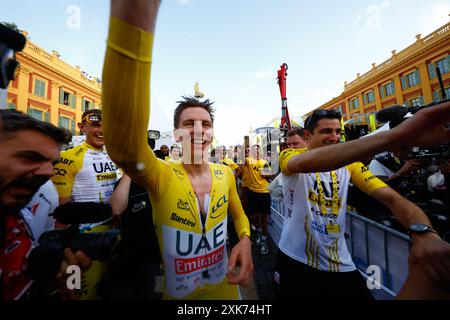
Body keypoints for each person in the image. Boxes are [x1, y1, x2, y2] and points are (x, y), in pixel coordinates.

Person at [102, 0, 253, 300]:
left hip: (228, 295)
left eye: (205, 124)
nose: (198, 130)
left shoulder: (224, 173)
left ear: (213, 132)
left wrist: (245, 240)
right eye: (189, 123)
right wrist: (134, 23)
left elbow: (238, 215)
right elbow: (124, 147)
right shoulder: (162, 175)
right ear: (176, 134)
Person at [275, 107, 450, 299]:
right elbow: (303, 164)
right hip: (295, 259)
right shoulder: (290, 155)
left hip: (339, 263)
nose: (334, 137)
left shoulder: (351, 165)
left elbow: (393, 199)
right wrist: (393, 137)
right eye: (326, 131)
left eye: (337, 132)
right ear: (307, 136)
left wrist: (424, 232)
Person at [0, 110, 90, 300]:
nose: (48, 172)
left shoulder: (46, 192)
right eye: (30, 157)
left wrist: (59, 282)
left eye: (52, 163)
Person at [51, 108, 120, 300]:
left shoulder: (113, 157)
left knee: (100, 289)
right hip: (81, 240)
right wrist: (64, 252)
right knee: (76, 294)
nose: (102, 130)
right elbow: (61, 211)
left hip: (109, 236)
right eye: (96, 125)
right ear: (82, 127)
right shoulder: (68, 158)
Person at [245, 145, 274, 255]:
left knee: (264, 217)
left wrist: (267, 174)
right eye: (253, 151)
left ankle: (264, 240)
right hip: (253, 192)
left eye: (257, 150)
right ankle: (258, 231)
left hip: (264, 192)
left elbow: (270, 175)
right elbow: (240, 161)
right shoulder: (249, 161)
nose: (255, 152)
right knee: (254, 216)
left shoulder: (263, 162)